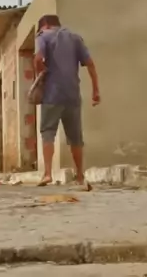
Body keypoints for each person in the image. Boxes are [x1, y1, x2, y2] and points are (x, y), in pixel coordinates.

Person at [34, 14, 100, 190]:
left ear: (45, 25)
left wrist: (40, 73)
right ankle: (79, 176)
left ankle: (47, 173)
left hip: (51, 95)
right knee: (75, 137)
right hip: (72, 95)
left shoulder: (43, 36)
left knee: (48, 132)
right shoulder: (75, 38)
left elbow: (38, 58)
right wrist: (95, 90)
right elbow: (90, 64)